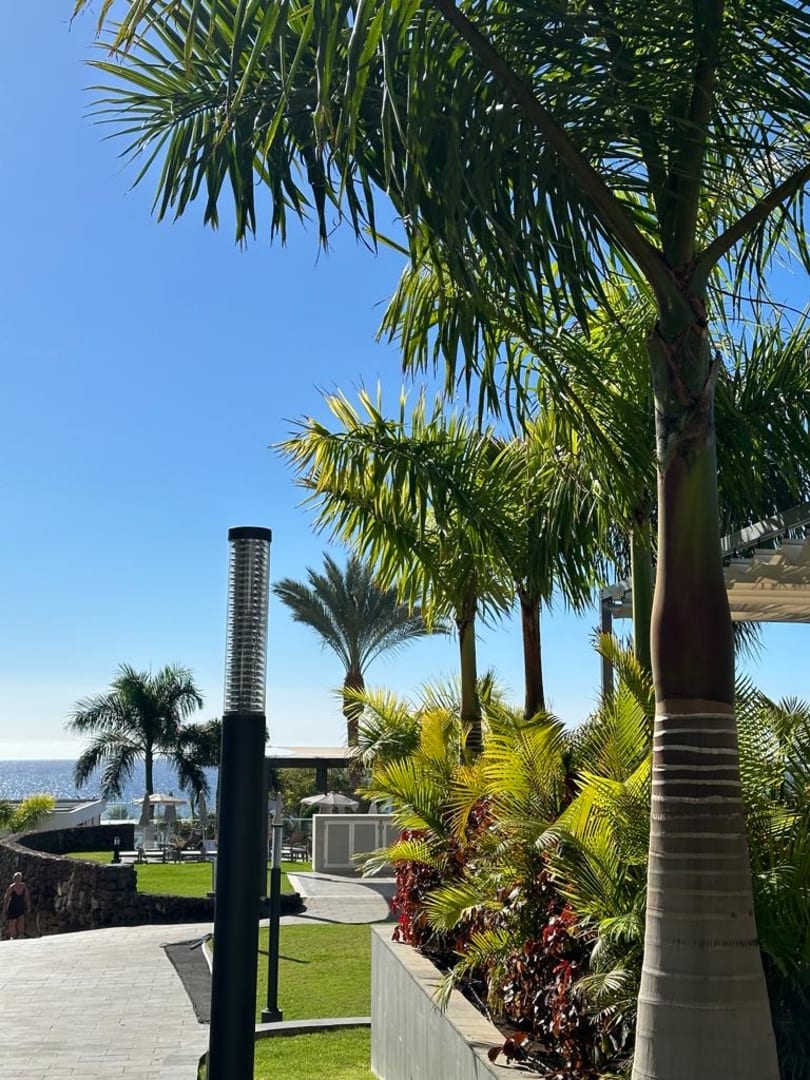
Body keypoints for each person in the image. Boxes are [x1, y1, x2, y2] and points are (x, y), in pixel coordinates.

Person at [3, 871, 31, 939]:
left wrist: (28, 905)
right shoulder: (11, 887)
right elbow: (6, 898)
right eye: (17, 878)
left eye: (20, 878)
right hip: (12, 906)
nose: (18, 880)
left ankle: (21, 935)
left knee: (21, 920)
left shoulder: (23, 886)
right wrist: (5, 908)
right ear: (14, 879)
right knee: (12, 922)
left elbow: (27, 896)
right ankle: (13, 936)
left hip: (20, 905)